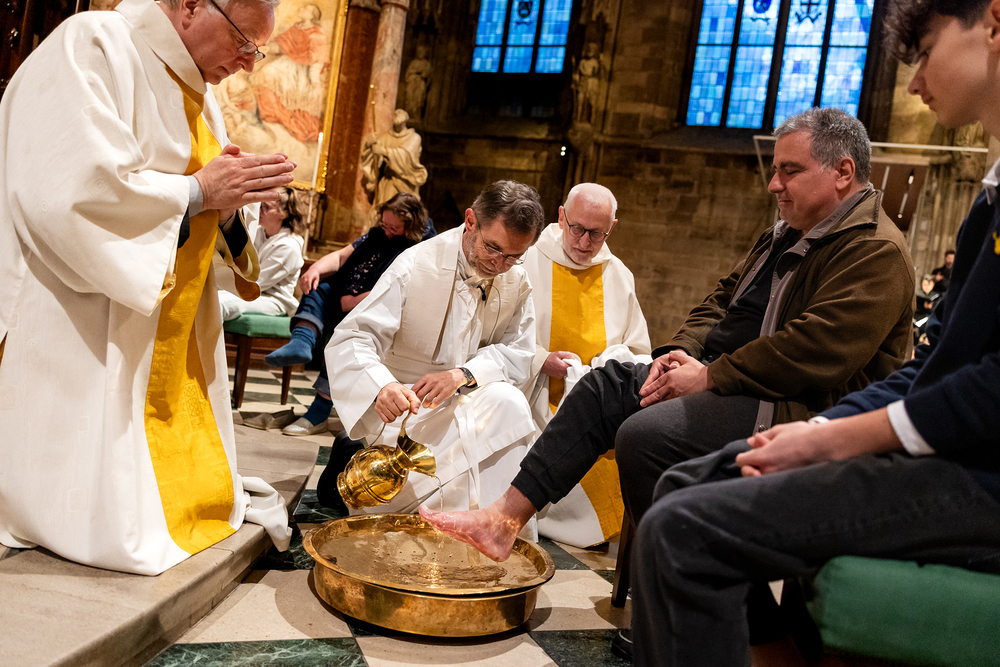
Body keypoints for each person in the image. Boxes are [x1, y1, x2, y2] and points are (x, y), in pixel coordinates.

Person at [618, 1, 1000, 663]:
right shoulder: (988, 205)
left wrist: (835, 435)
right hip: (948, 449)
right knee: (683, 483)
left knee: (684, 530)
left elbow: (988, 387)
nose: (913, 82)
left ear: (994, 23)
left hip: (982, 477)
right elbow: (932, 364)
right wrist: (820, 430)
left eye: (924, 52)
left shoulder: (879, 245)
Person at [421, 108, 916, 580]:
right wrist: (675, 357)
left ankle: (679, 582)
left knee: (645, 435)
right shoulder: (783, 234)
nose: (773, 184)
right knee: (601, 388)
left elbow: (815, 351)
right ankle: (503, 520)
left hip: (791, 404)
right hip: (726, 377)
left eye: (789, 170)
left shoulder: (874, 250)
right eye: (775, 170)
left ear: (842, 172)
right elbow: (721, 301)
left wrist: (708, 376)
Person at [0, 0, 298, 575]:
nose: (248, 62)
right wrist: (198, 194)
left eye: (257, 50)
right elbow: (72, 194)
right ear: (191, 5)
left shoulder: (203, 96)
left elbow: (206, 199)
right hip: (80, 313)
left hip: (169, 324)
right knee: (98, 496)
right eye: (244, 41)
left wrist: (226, 207)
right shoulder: (94, 45)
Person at [319, 180, 546, 524]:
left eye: (514, 256)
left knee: (510, 404)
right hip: (407, 412)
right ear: (471, 221)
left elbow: (520, 352)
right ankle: (449, 523)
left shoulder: (517, 281)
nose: (500, 263)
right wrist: (381, 386)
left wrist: (463, 375)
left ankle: (492, 530)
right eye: (493, 247)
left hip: (472, 404)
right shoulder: (416, 264)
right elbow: (353, 337)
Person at [521, 182, 651, 548]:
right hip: (532, 398)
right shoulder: (527, 261)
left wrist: (607, 366)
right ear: (561, 217)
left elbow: (639, 350)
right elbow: (495, 335)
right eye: (577, 228)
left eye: (596, 233)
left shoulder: (618, 275)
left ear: (612, 228)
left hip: (593, 406)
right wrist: (540, 360)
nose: (583, 242)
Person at [261, 192, 430, 435]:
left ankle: (319, 412)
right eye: (385, 224)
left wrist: (354, 301)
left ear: (411, 225)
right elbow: (341, 256)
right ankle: (302, 341)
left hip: (375, 308)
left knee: (346, 336)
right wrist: (315, 269)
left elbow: (401, 288)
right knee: (317, 288)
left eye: (394, 228)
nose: (388, 231)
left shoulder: (419, 249)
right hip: (345, 297)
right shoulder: (376, 235)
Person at [218, 186, 306, 320]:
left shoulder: (289, 246)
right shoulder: (258, 233)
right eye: (260, 205)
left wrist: (222, 288)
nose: (260, 211)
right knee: (208, 296)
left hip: (274, 299)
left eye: (267, 207)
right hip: (251, 290)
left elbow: (259, 282)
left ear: (284, 213)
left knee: (219, 303)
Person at [360, 109, 428, 219]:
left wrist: (384, 151)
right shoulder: (385, 137)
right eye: (395, 114)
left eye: (400, 114)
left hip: (404, 184)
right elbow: (374, 159)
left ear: (406, 119)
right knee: (382, 214)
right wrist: (369, 145)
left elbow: (406, 156)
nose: (397, 115)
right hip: (388, 183)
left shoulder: (414, 138)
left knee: (401, 215)